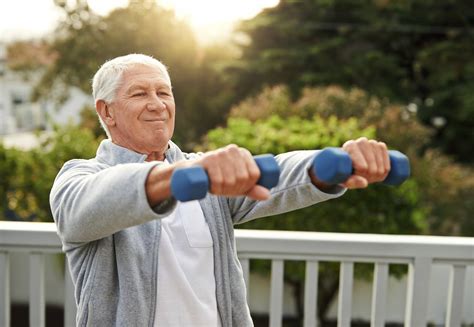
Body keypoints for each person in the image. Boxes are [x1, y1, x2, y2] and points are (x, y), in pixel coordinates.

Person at [50, 54, 391, 327]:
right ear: (106, 111)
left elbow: (274, 172)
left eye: (164, 92)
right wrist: (177, 177)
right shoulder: (80, 177)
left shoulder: (206, 174)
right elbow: (88, 205)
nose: (157, 104)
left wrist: (333, 164)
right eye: (140, 93)